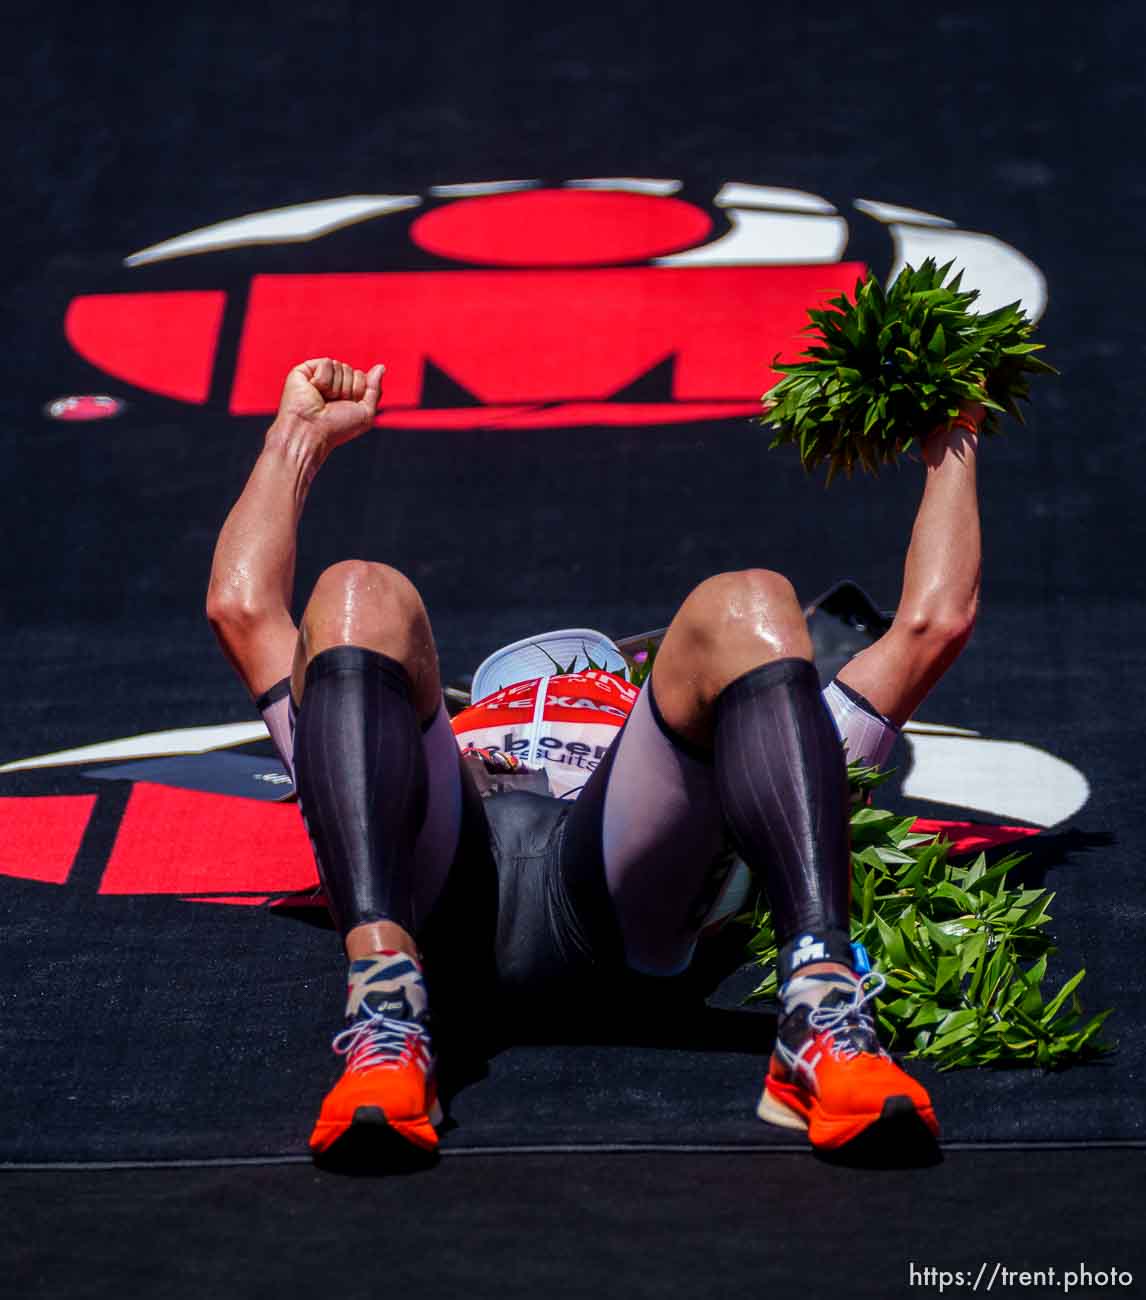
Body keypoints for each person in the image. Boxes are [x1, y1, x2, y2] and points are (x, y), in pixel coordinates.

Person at [206, 356, 983, 1157]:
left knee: (748, 597)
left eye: (593, 678)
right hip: (441, 889)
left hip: (623, 891)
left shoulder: (752, 753)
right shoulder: (372, 749)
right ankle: (383, 1014)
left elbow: (933, 625)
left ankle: (820, 1013)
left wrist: (953, 437)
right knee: (357, 589)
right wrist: (295, 436)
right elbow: (242, 607)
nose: (558, 685)